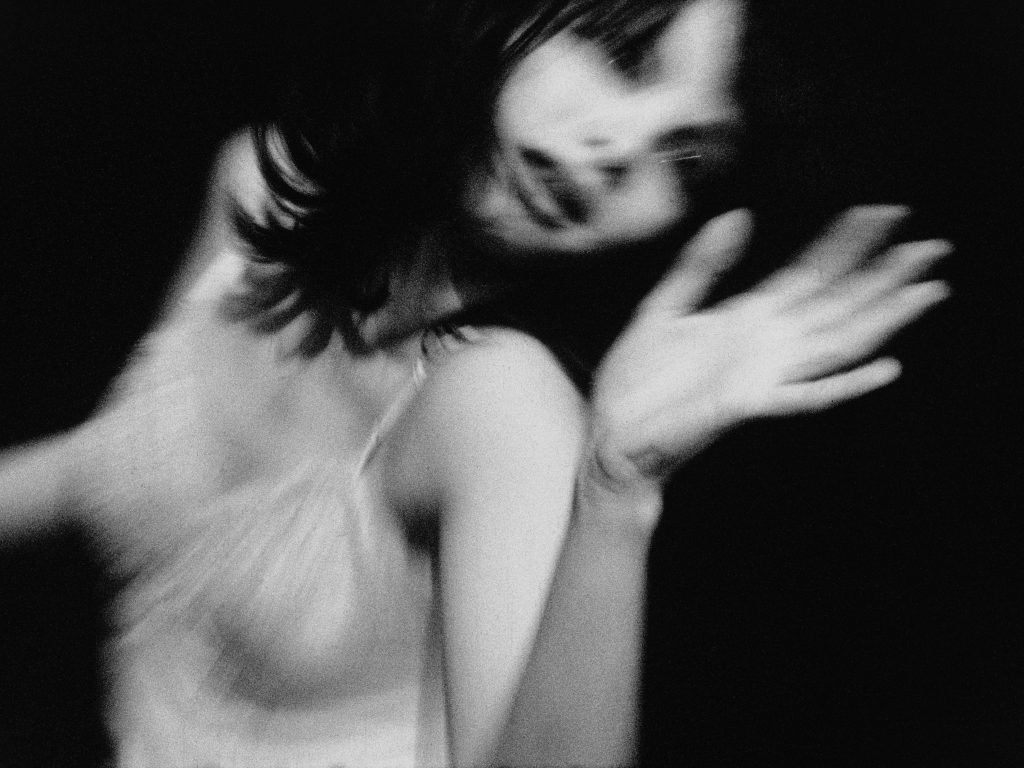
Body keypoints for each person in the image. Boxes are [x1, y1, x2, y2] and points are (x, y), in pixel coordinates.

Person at [0, 0, 950, 765]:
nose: (622, 148)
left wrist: (617, 494)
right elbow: (112, 465)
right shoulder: (259, 181)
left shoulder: (501, 411)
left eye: (688, 156)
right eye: (623, 57)